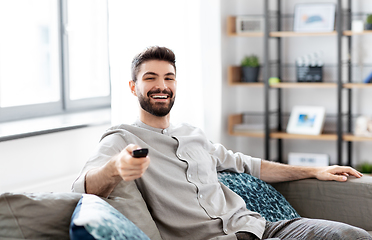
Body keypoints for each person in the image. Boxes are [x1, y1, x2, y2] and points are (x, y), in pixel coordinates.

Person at [72, 46, 371, 240]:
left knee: (351, 236)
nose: (161, 86)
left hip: (261, 227)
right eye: (150, 78)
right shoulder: (122, 138)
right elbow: (81, 188)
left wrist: (314, 171)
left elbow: (251, 165)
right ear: (133, 86)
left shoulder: (194, 134)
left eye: (169, 78)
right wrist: (116, 168)